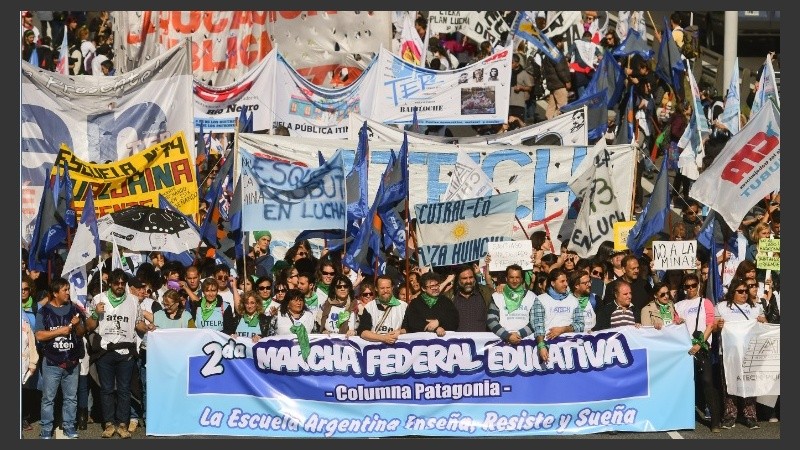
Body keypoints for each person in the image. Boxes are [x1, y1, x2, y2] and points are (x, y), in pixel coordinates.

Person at [85, 269, 146, 439]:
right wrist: (96, 312)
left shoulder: (134, 301)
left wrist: (147, 327)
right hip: (105, 351)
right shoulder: (99, 299)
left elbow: (139, 324)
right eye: (116, 283)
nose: (119, 286)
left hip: (126, 351)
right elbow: (89, 325)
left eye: (122, 283)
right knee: (107, 389)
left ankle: (122, 424)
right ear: (110, 283)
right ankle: (109, 423)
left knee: (124, 390)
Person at [34, 277, 85, 439]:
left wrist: (77, 325)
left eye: (68, 289)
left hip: (71, 361)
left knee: (71, 398)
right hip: (51, 362)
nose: (68, 292)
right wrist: (59, 332)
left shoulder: (74, 309)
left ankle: (69, 426)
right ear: (55, 293)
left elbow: (82, 333)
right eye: (65, 290)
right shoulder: (44, 311)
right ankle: (46, 429)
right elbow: (39, 335)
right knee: (48, 398)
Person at [715, 277, 767, 429]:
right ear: (733, 292)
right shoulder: (722, 307)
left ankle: (750, 415)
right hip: (729, 353)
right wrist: (719, 325)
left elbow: (764, 324)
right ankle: (730, 415)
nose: (744, 294)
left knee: (750, 383)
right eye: (740, 291)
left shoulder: (755, 307)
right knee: (730, 383)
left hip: (750, 353)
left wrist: (762, 321)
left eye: (746, 291)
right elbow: (715, 327)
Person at [673, 274, 722, 432]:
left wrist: (700, 344)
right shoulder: (678, 305)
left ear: (698, 285)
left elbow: (710, 325)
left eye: (693, 285)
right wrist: (677, 321)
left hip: (701, 348)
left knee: (707, 381)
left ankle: (715, 421)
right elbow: (673, 326)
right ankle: (681, 416)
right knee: (684, 383)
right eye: (687, 286)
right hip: (685, 349)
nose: (691, 289)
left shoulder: (706, 302)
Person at [532, 269, 585, 362]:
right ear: (552, 283)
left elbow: (580, 324)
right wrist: (541, 346)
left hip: (570, 348)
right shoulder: (541, 299)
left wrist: (563, 329)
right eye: (562, 281)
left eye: (566, 281)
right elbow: (538, 325)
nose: (566, 284)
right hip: (549, 347)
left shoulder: (573, 300)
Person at [487, 264, 536, 345]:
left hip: (526, 342)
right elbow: (491, 320)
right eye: (511, 277)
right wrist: (507, 336)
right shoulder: (497, 296)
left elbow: (535, 320)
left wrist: (519, 334)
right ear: (506, 278)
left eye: (517, 277)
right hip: (503, 341)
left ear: (522, 279)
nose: (514, 280)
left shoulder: (531, 296)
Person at [266, 289, 318, 359]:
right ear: (288, 303)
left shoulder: (309, 316)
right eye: (295, 300)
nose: (299, 303)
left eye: (301, 300)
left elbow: (316, 339)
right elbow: (269, 338)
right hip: (282, 356)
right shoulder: (278, 316)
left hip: (305, 357)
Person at [403, 272, 459, 336]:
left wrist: (439, 322)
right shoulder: (415, 303)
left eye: (437, 285)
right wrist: (435, 328)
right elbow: (413, 323)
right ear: (423, 288)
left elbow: (454, 319)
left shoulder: (446, 301)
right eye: (432, 286)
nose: (435, 288)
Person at [356, 275, 408, 344]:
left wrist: (400, 331)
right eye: (382, 288)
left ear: (392, 288)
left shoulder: (403, 306)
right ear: (376, 289)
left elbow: (409, 328)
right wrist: (384, 338)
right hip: (376, 350)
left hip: (398, 350)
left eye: (388, 287)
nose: (385, 291)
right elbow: (363, 332)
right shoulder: (369, 307)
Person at [444, 264, 492, 332]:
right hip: (457, 341)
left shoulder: (486, 293)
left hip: (482, 341)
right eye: (464, 278)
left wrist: (500, 287)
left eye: (471, 277)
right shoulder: (448, 296)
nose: (468, 281)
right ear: (458, 280)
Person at [542, 35, 571, 119]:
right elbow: (560, 69)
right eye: (562, 42)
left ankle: (547, 124)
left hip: (553, 85)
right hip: (559, 85)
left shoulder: (548, 54)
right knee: (563, 108)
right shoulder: (556, 54)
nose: (563, 43)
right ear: (558, 43)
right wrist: (567, 81)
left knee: (551, 109)